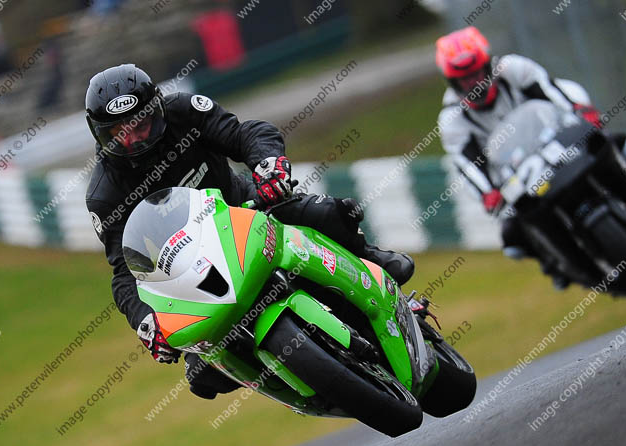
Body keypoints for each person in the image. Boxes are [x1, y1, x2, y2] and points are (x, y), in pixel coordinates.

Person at [85, 64, 415, 399]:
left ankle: (372, 263)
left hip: (244, 211)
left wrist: (267, 165)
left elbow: (244, 134)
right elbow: (125, 271)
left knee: (326, 213)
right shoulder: (104, 194)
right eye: (120, 133)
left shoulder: (185, 112)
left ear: (158, 109)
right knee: (202, 375)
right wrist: (145, 321)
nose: (135, 138)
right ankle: (292, 381)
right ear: (101, 134)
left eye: (141, 124)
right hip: (189, 272)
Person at [435, 26, 626, 287]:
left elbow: (553, 93)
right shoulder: (451, 118)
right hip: (517, 176)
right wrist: (488, 193)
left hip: (558, 141)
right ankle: (559, 264)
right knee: (512, 238)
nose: (474, 84)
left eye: (477, 74)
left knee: (617, 145)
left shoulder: (514, 69)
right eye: (465, 80)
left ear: (488, 66)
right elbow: (467, 165)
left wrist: (581, 113)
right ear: (452, 83)